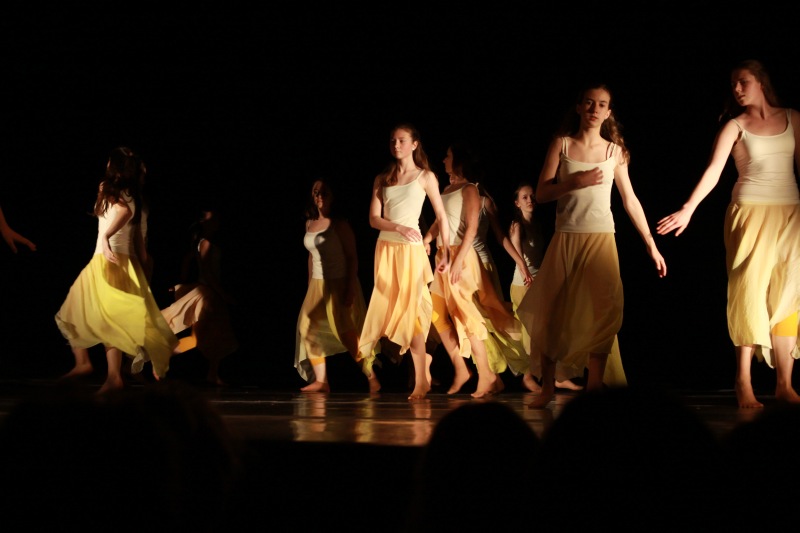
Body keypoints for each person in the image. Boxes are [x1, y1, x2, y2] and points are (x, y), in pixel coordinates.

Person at [657, 59, 800, 408]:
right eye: (733, 83)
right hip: (749, 212)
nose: (736, 89)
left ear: (761, 82)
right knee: (749, 291)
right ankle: (743, 381)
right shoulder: (735, 126)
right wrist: (688, 209)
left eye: (743, 81)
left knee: (789, 294)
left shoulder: (793, 118)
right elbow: (714, 171)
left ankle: (784, 384)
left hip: (791, 213)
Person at [521, 82, 667, 409]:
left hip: (601, 237)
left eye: (601, 104)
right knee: (551, 311)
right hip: (567, 237)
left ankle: (595, 387)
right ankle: (547, 387)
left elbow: (630, 200)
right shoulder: (562, 144)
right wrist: (574, 181)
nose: (594, 109)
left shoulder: (615, 152)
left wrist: (650, 244)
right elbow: (542, 193)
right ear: (578, 107)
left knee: (605, 311)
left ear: (608, 112)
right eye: (588, 102)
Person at [55, 146, 178, 393]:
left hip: (107, 259)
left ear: (115, 167)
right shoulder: (136, 196)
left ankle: (100, 371)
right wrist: (144, 266)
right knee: (96, 314)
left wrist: (105, 238)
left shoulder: (107, 187)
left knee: (80, 313)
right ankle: (102, 371)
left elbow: (123, 212)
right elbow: (138, 238)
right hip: (125, 261)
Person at [358, 122, 451, 401]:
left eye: (401, 140)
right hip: (386, 249)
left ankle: (421, 380)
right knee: (391, 313)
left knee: (411, 315)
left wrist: (446, 251)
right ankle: (422, 374)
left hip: (411, 252)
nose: (396, 145)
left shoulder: (425, 177)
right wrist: (397, 227)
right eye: (392, 140)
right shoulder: (383, 178)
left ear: (414, 144)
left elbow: (442, 216)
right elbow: (373, 219)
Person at [422, 144, 500, 398]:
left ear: (458, 160)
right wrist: (427, 238)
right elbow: (439, 221)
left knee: (466, 315)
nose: (444, 159)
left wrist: (457, 262)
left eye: (448, 155)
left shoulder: (470, 189)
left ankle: (486, 373)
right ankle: (460, 368)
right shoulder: (447, 190)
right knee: (436, 312)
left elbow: (472, 229)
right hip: (443, 256)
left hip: (461, 257)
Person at [289, 178, 377, 393]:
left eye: (324, 192)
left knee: (345, 332)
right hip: (317, 284)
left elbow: (352, 257)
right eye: (316, 192)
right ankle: (322, 381)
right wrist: (310, 283)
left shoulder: (339, 224)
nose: (319, 195)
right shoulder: (309, 223)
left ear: (332, 196)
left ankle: (371, 376)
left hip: (338, 282)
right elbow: (311, 257)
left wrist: (350, 288)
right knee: (307, 327)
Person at [509, 182, 584, 392]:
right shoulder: (517, 226)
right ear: (517, 203)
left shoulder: (538, 224)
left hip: (539, 281)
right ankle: (534, 377)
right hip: (524, 284)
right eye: (524, 197)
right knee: (533, 332)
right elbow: (517, 256)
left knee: (549, 329)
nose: (530, 200)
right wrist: (526, 274)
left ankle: (554, 376)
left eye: (532, 196)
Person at [161, 204, 239, 386]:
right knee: (201, 337)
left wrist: (182, 283)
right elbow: (208, 273)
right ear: (205, 223)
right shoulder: (206, 243)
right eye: (213, 219)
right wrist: (222, 294)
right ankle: (161, 356)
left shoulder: (202, 241)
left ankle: (212, 373)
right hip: (207, 294)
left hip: (208, 292)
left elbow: (188, 260)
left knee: (214, 335)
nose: (217, 222)